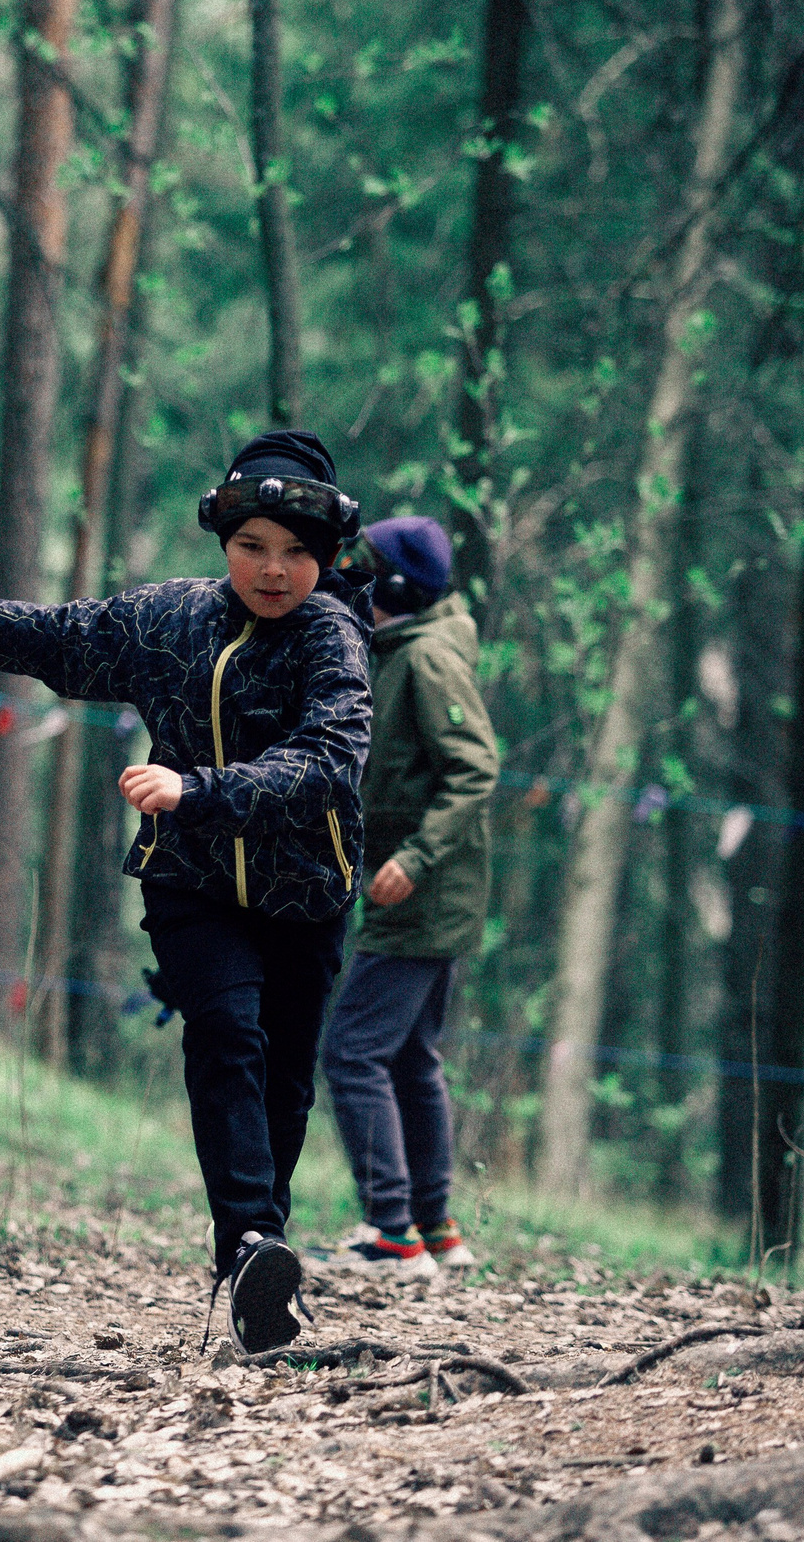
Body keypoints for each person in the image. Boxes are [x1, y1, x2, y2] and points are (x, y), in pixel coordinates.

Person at [0, 429, 371, 1354]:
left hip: (304, 896)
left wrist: (200, 788)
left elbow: (330, 761)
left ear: (325, 557)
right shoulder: (171, 618)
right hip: (192, 883)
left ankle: (261, 1270)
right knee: (227, 1036)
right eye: (253, 546)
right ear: (223, 543)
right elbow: (50, 637)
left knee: (286, 1079)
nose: (275, 569)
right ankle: (249, 1237)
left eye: (297, 552)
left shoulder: (332, 636)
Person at [320, 517, 498, 1275]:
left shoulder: (426, 658)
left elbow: (475, 768)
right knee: (411, 1056)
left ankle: (391, 1230)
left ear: (395, 584)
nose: (353, 574)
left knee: (352, 1051)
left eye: (366, 565)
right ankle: (435, 1226)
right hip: (423, 886)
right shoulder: (405, 648)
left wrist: (417, 858)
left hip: (422, 891)